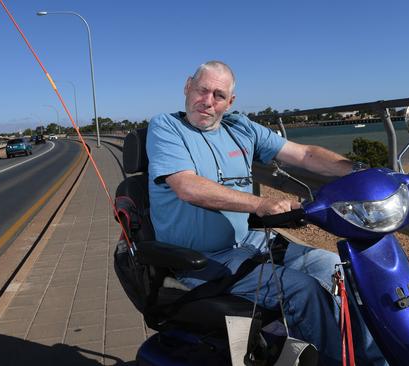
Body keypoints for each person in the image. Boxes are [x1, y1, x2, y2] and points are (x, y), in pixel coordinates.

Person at [146, 60, 386, 365]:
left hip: (249, 243)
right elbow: (187, 186)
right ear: (187, 87)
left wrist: (362, 172)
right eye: (201, 90)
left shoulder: (240, 127)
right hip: (203, 259)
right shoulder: (166, 127)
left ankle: (372, 359)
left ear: (230, 102)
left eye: (218, 95)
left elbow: (304, 154)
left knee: (339, 267)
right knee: (303, 291)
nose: (207, 101)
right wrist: (260, 204)